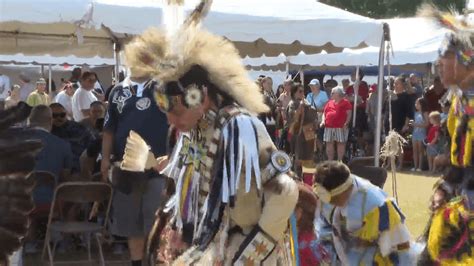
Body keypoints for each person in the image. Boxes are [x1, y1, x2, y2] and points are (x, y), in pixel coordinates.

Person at [121, 2, 298, 263]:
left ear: (201, 98)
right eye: (166, 111)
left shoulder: (239, 128)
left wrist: (248, 255)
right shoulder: (192, 130)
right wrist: (183, 228)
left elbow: (285, 192)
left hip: (248, 249)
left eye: (178, 111)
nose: (171, 119)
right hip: (214, 247)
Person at [101, 72, 169, 265]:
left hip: (157, 168)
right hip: (126, 168)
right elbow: (109, 129)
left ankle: (157, 261)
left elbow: (178, 124)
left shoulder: (164, 89)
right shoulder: (117, 91)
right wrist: (105, 159)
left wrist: (172, 156)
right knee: (132, 225)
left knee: (156, 222)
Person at [312, 161, 412, 265]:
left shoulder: (377, 205)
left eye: (331, 199)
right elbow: (322, 227)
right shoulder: (326, 197)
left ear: (342, 191)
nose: (328, 202)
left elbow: (400, 247)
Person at [27, 105, 73, 189]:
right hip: (51, 198)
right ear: (51, 121)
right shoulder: (63, 145)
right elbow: (65, 177)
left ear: (29, 121)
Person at [50, 103, 93, 175]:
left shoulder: (79, 128)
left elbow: (92, 145)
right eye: (54, 115)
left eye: (62, 115)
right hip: (55, 170)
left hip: (78, 169)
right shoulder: (47, 132)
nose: (59, 118)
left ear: (66, 114)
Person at [287, 83, 318, 175]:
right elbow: (293, 118)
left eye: (303, 91)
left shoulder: (307, 102)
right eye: (300, 91)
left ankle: (308, 181)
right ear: (294, 93)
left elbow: (313, 115)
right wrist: (300, 107)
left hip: (309, 132)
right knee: (298, 157)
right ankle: (297, 178)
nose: (302, 93)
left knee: (308, 158)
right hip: (298, 133)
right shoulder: (292, 103)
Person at [321, 86, 352, 161]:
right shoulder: (329, 103)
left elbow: (349, 114)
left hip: (340, 127)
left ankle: (339, 160)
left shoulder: (346, 103)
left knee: (340, 143)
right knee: (329, 143)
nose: (331, 94)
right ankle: (330, 160)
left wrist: (346, 123)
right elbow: (324, 113)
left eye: (332, 93)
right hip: (329, 126)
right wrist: (323, 121)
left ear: (338, 94)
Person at [411, 97, 429, 171]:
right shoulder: (415, 113)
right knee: (415, 150)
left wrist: (416, 125)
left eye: (418, 103)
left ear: (422, 104)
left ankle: (420, 167)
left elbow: (427, 124)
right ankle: (415, 166)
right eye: (415, 103)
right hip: (415, 133)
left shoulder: (425, 113)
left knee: (420, 151)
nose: (416, 105)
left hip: (422, 133)